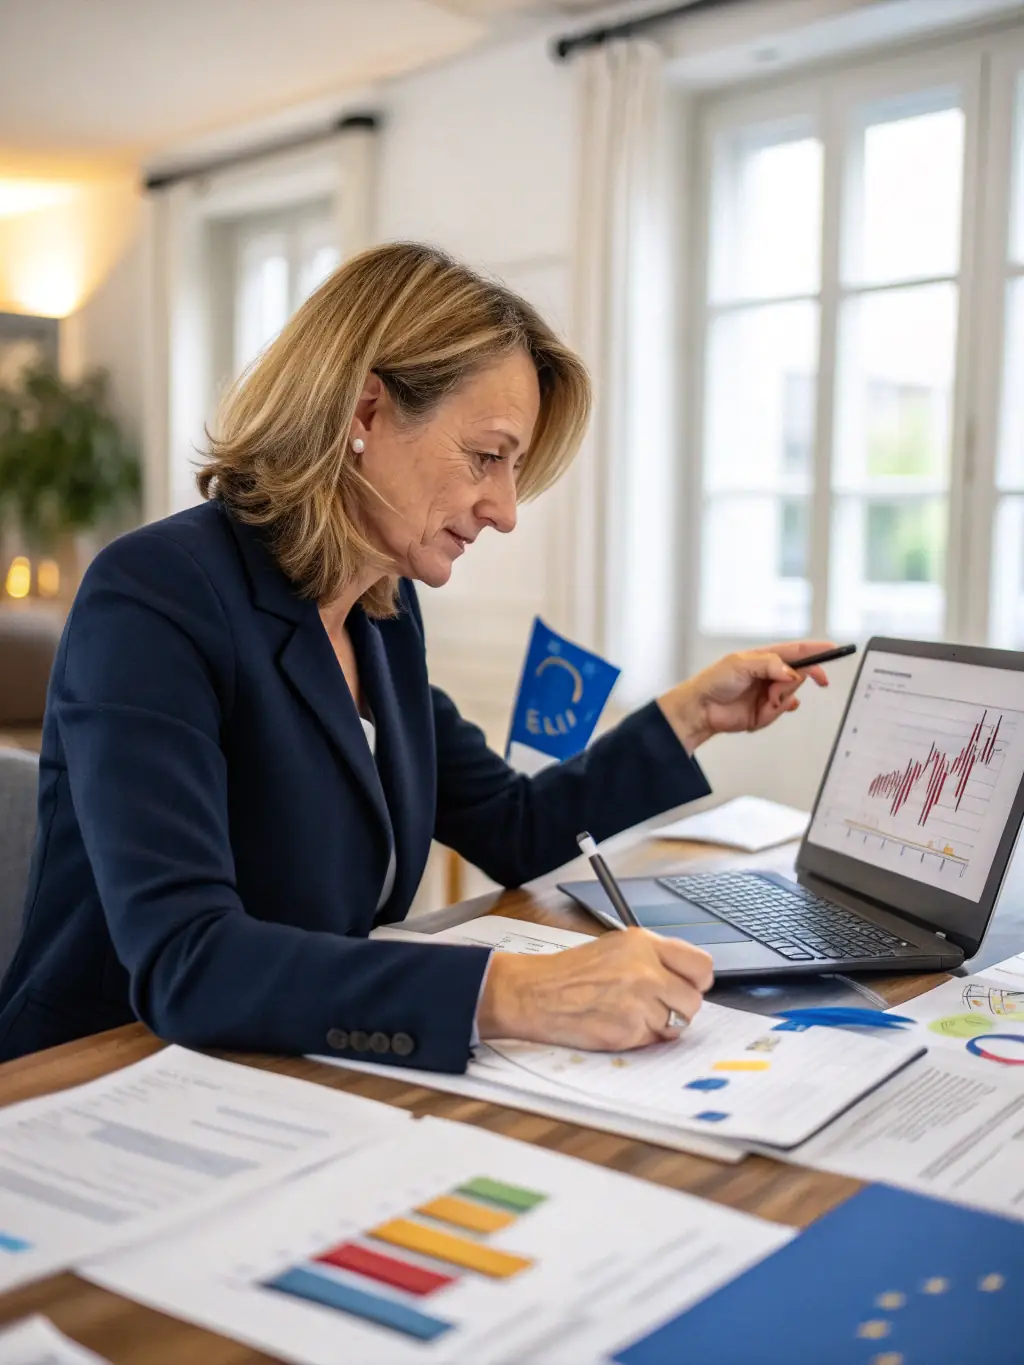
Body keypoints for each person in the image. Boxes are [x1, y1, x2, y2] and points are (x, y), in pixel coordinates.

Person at [0, 243, 831, 1068]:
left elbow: (511, 825)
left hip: (289, 1061)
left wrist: (690, 714)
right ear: (364, 415)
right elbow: (190, 961)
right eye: (487, 457)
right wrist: (518, 993)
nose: (505, 510)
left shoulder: (383, 613)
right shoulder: (156, 595)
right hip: (97, 1074)